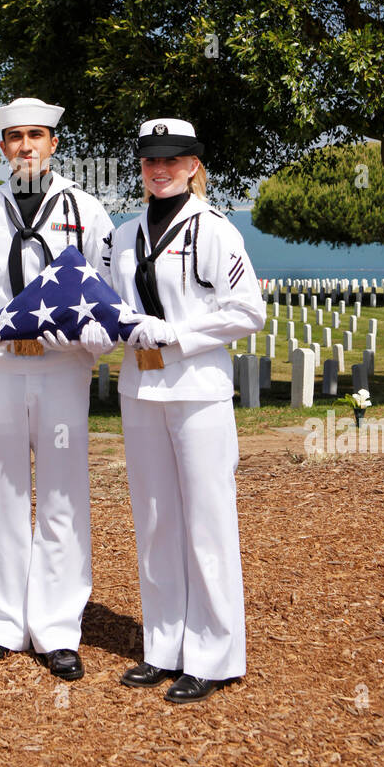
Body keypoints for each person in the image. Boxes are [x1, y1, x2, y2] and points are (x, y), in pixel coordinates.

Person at [0, 97, 115, 681]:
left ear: (54, 144)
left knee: (64, 494)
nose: (25, 145)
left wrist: (91, 330)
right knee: (2, 492)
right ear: (2, 147)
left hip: (62, 366)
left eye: (36, 135)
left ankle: (59, 628)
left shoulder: (86, 209)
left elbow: (107, 284)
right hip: (0, 366)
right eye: (15, 136)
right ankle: (2, 625)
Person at [110, 117, 265, 702]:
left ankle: (215, 654)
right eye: (151, 159)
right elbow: (113, 306)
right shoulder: (124, 237)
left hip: (197, 388)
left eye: (173, 159)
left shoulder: (218, 230)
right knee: (154, 523)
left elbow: (247, 311)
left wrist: (176, 333)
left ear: (195, 164)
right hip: (140, 390)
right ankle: (164, 646)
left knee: (207, 522)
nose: (160, 169)